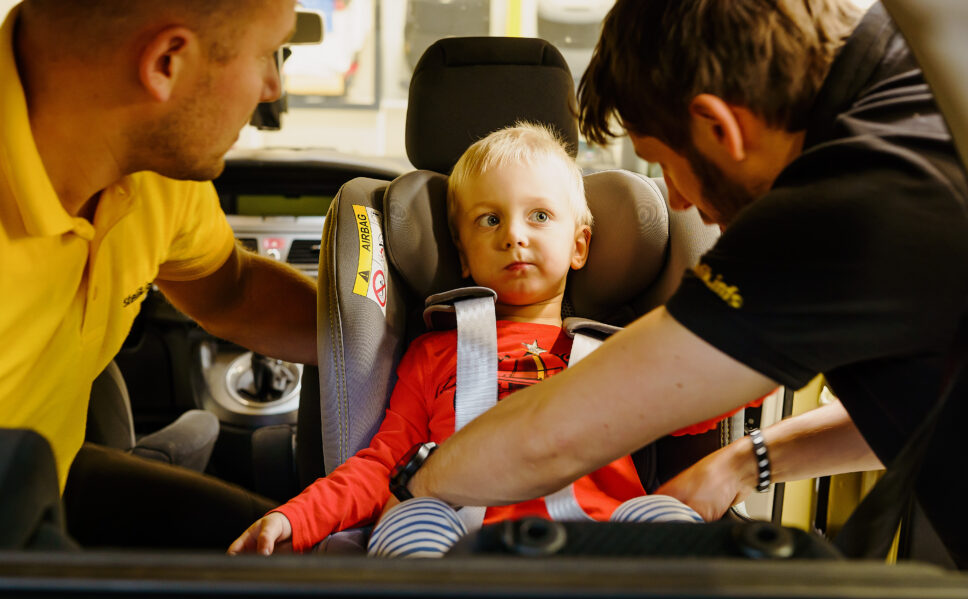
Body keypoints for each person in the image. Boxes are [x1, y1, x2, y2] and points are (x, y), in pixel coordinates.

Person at [392, 0, 968, 568]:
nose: (676, 199)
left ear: (720, 127)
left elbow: (553, 437)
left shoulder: (834, 207)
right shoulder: (923, 96)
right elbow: (928, 397)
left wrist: (418, 493)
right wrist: (745, 462)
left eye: (665, 163)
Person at [229, 123, 760, 557]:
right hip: (458, 530)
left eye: (540, 216)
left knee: (669, 515)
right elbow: (381, 465)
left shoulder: (620, 353)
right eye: (490, 220)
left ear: (580, 246)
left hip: (604, 528)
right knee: (409, 514)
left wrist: (754, 353)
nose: (514, 234)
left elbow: (699, 401)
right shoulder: (435, 350)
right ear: (463, 256)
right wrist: (292, 517)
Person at [0, 0, 317, 547]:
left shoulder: (152, 162)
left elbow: (232, 291)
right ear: (166, 62)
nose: (271, 88)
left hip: (46, 481)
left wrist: (416, 347)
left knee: (305, 563)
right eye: (267, 53)